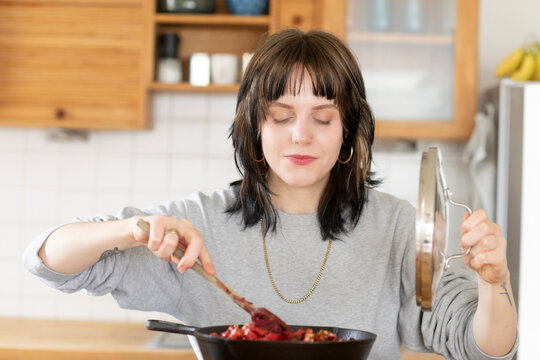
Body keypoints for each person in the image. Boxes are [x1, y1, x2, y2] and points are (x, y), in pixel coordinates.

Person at [23, 29, 517, 359]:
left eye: (322, 118)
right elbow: (44, 259)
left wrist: (494, 282)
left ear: (348, 131)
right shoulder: (199, 225)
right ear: (253, 127)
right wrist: (133, 230)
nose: (300, 135)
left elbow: (488, 346)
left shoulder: (395, 227)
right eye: (281, 116)